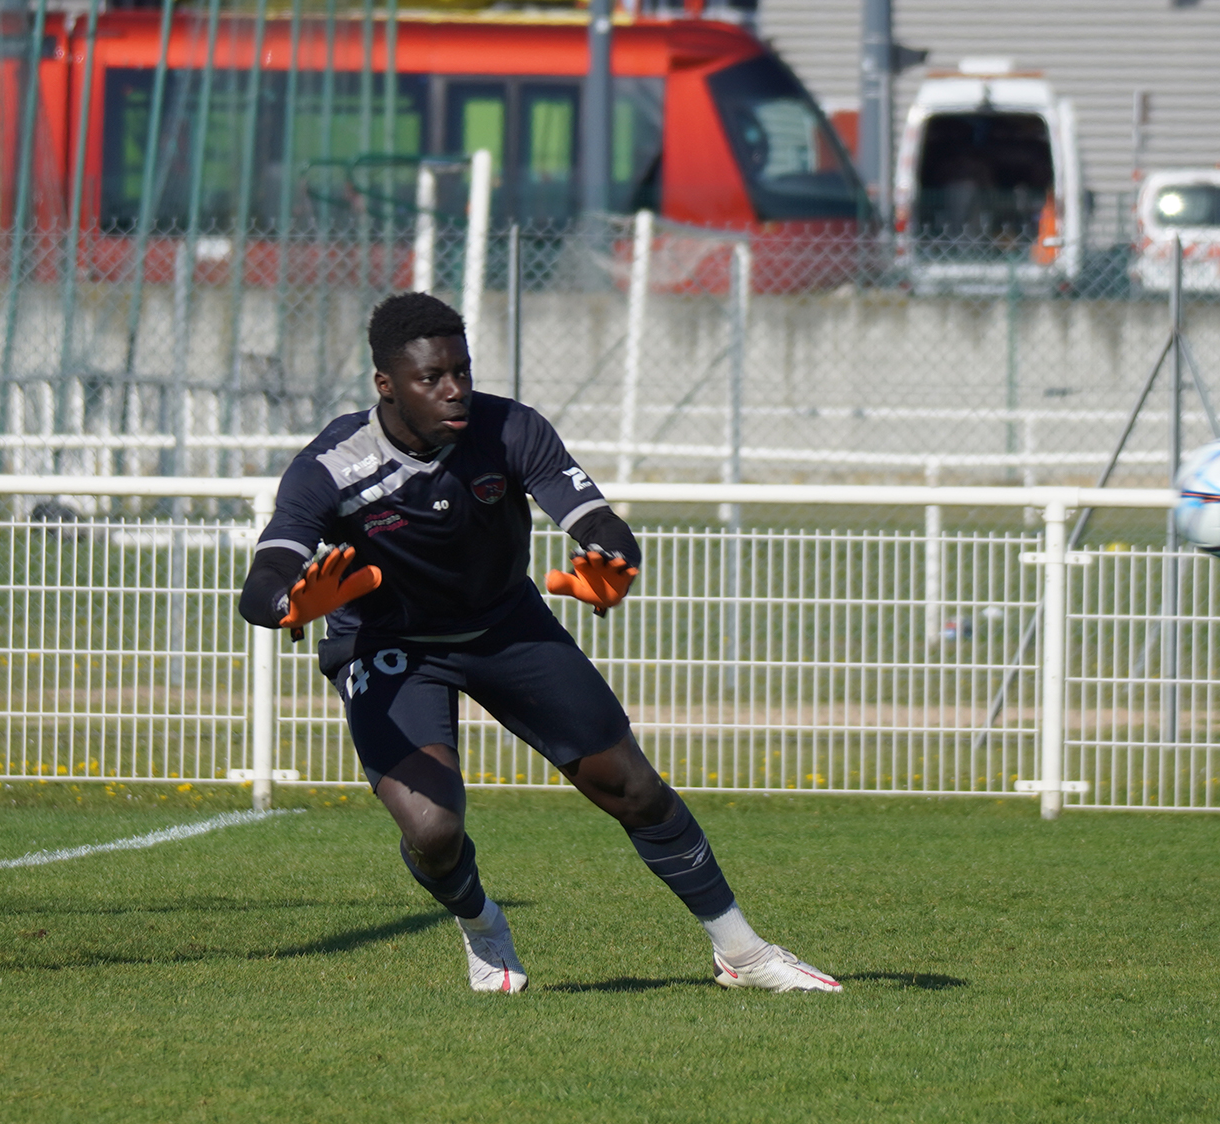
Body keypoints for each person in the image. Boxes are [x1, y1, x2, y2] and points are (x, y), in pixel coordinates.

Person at [238, 292, 840, 995]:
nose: (455, 389)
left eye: (462, 370)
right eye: (432, 378)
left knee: (634, 789)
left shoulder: (511, 428)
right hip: (388, 645)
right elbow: (263, 581)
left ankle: (741, 953)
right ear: (386, 385)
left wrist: (614, 563)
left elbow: (599, 522)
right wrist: (288, 603)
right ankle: (482, 925)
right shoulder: (332, 465)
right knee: (433, 831)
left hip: (506, 626)